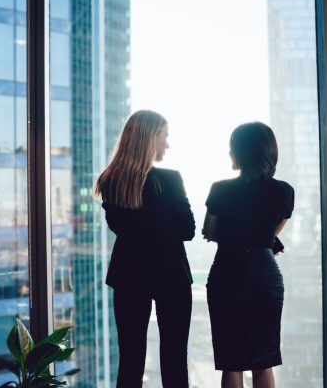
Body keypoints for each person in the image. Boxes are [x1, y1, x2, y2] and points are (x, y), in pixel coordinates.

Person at [94, 110, 195, 388]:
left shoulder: (110, 180)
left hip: (128, 276)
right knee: (174, 360)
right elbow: (188, 230)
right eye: (165, 136)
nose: (167, 144)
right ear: (151, 138)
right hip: (171, 275)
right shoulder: (170, 178)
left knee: (130, 361)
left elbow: (121, 228)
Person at [203, 122, 294, 388]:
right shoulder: (283, 191)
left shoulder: (220, 189)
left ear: (241, 152)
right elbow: (271, 234)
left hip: (227, 271)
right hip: (264, 274)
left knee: (232, 362)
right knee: (263, 361)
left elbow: (210, 230)